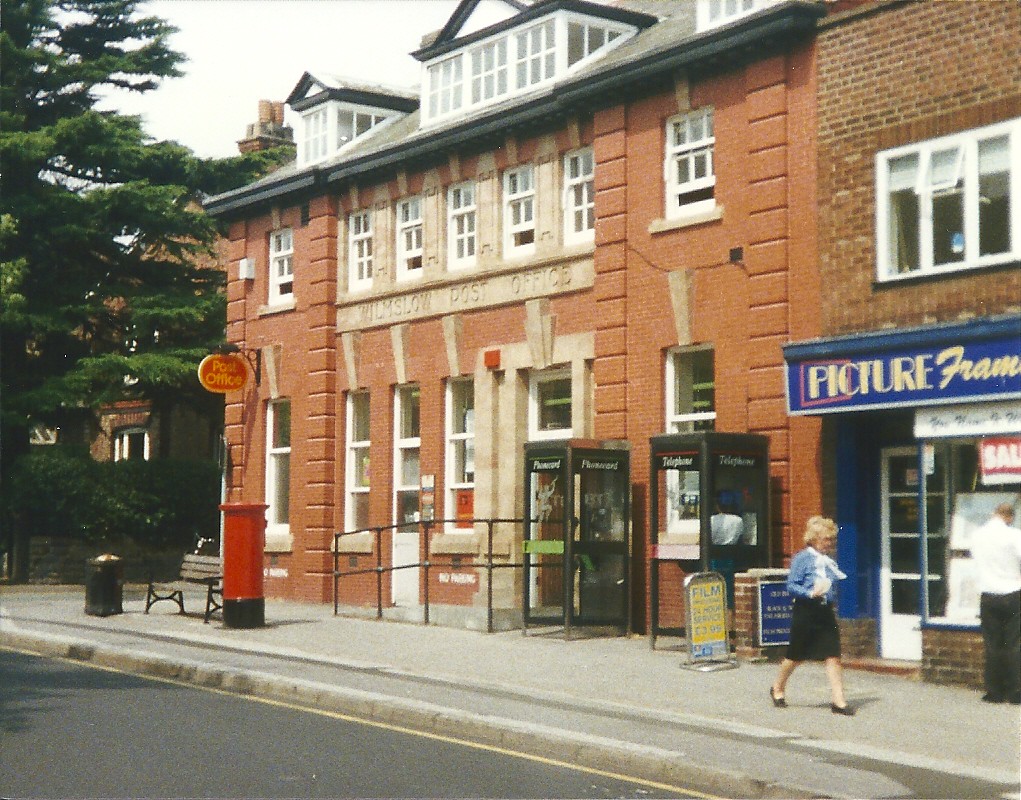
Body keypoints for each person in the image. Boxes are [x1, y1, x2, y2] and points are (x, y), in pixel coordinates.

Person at [770, 516, 854, 715]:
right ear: (814, 539)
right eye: (826, 539)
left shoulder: (829, 561)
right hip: (806, 610)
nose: (830, 543)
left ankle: (839, 701)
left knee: (833, 655)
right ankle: (777, 687)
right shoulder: (802, 558)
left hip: (825, 611)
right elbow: (791, 585)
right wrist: (809, 593)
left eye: (832, 539)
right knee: (796, 656)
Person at [970, 501, 1021, 705]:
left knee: (992, 644)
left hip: (988, 595)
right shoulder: (1014, 535)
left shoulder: (977, 536)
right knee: (1014, 643)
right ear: (1009, 517)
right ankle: (1015, 692)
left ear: (994, 514)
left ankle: (994, 692)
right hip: (1013, 593)